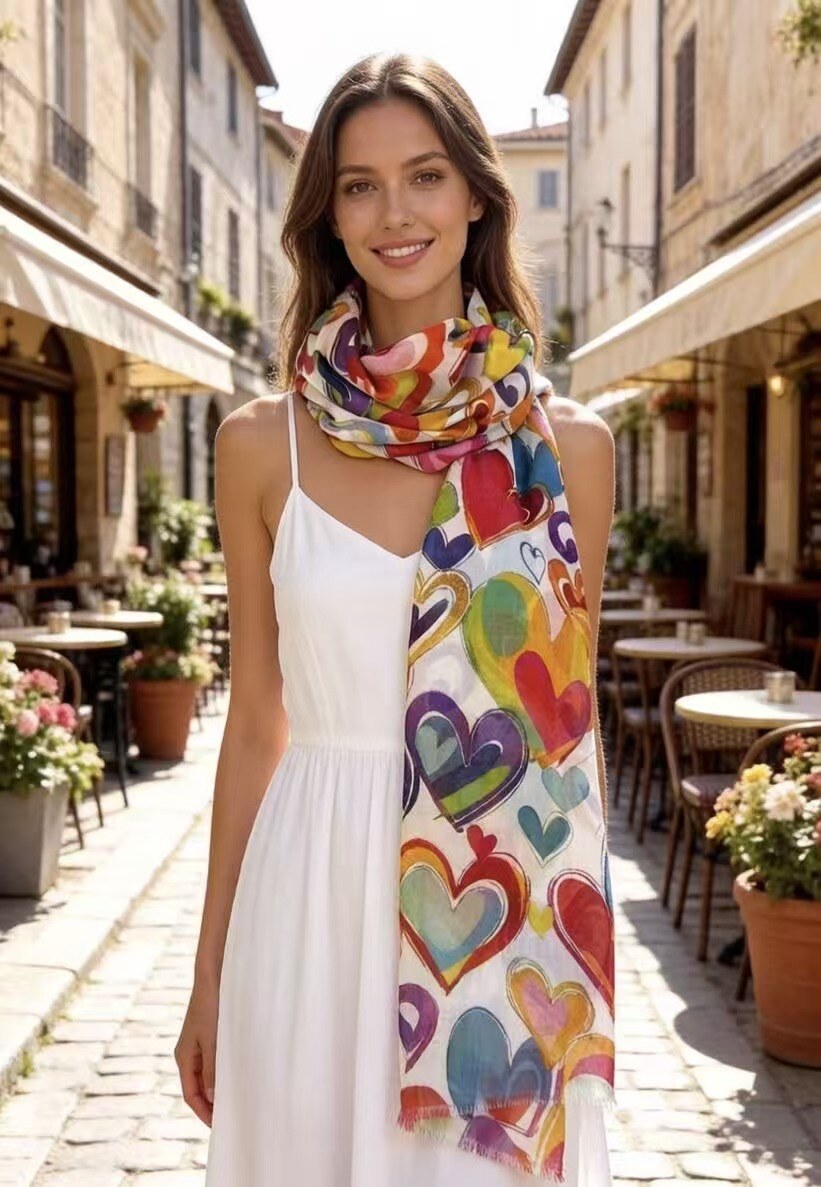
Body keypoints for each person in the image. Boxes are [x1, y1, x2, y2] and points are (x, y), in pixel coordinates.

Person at [176, 52, 616, 1187]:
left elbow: (566, 733)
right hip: (307, 899)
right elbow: (256, 720)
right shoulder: (256, 446)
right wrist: (209, 964)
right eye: (360, 184)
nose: (395, 213)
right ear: (328, 210)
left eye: (423, 175)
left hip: (497, 910)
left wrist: (570, 975)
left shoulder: (569, 454)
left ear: (476, 194)